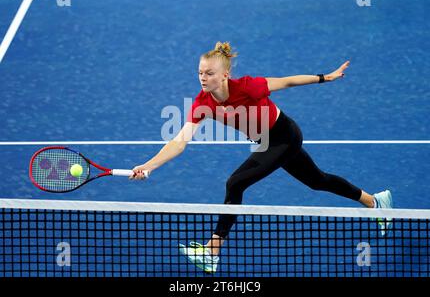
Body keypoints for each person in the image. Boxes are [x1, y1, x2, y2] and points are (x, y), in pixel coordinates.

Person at [130, 42, 393, 273]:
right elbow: (179, 141)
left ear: (224, 75)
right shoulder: (202, 103)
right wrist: (148, 166)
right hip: (266, 142)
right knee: (317, 180)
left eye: (209, 73)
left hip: (285, 135)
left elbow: (287, 81)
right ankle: (375, 202)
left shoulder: (249, 86)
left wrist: (327, 77)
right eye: (200, 72)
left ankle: (212, 251)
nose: (202, 77)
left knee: (235, 183)